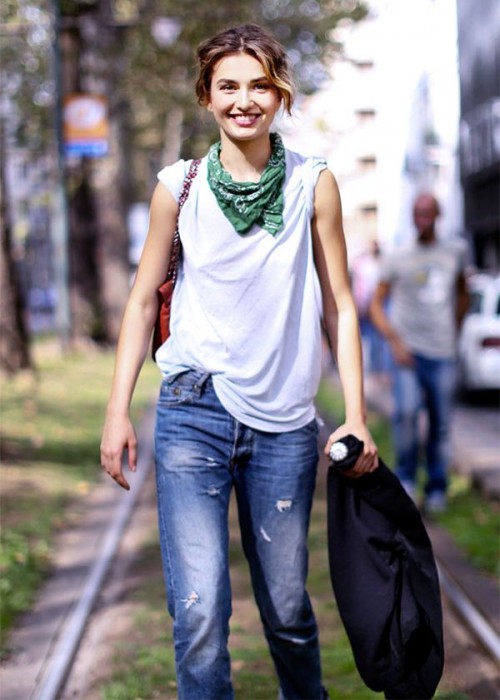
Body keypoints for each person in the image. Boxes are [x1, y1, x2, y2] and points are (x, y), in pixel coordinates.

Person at [100, 23, 378, 700]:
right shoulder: (180, 186)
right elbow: (140, 305)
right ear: (206, 96)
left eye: (259, 85)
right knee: (198, 612)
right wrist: (117, 413)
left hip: (284, 424)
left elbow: (339, 303)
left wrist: (356, 417)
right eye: (228, 86)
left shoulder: (315, 184)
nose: (244, 99)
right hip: (192, 410)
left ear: (280, 93)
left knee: (286, 612)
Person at [370, 193, 469, 513]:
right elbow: (375, 305)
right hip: (407, 354)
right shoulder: (398, 256)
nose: (423, 218)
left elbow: (463, 292)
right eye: (418, 213)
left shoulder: (456, 251)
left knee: (440, 424)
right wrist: (395, 343)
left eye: (428, 213)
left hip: (442, 352)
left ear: (437, 215)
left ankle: (437, 486)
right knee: (408, 415)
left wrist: (455, 330)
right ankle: (408, 480)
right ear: (412, 217)